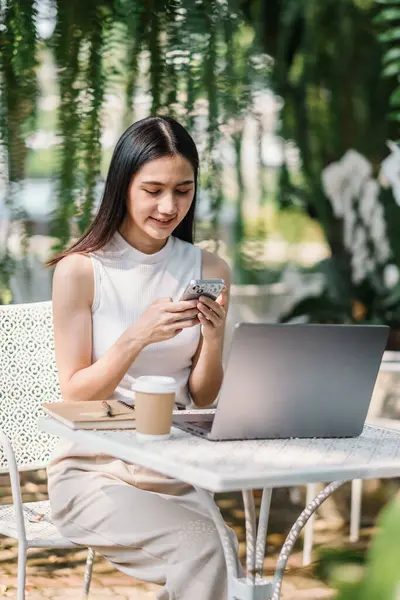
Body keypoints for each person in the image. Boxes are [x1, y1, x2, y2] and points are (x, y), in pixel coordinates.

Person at [46, 116, 242, 599]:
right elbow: (75, 392)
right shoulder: (81, 271)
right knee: (205, 550)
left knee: (226, 551)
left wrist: (213, 340)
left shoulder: (209, 269)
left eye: (183, 190)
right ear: (122, 185)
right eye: (152, 189)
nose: (168, 206)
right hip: (93, 470)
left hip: (175, 466)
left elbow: (202, 394)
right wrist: (136, 337)